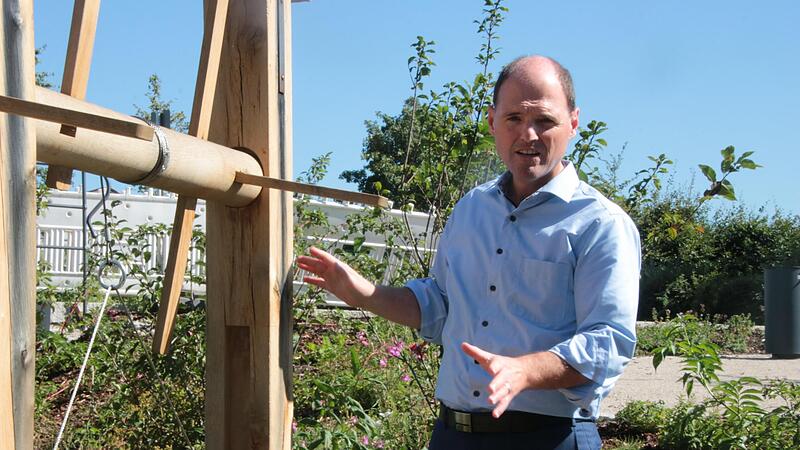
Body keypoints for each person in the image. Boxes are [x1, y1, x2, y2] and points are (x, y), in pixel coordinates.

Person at [297, 55, 640, 450]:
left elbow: (608, 341)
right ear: (493, 122)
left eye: (544, 120)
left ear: (573, 122)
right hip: (453, 435)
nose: (528, 134)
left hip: (548, 438)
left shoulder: (600, 223)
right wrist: (360, 292)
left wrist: (525, 370)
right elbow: (439, 306)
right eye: (513, 119)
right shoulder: (472, 209)